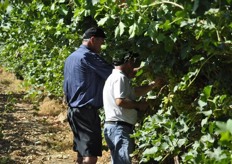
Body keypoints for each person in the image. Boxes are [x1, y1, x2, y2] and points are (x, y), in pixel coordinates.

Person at [63, 27, 113, 164]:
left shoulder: (70, 58)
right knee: (90, 156)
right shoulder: (88, 56)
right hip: (86, 112)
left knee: (81, 153)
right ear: (92, 40)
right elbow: (114, 74)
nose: (101, 47)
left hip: (73, 111)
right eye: (101, 42)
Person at [103, 51, 163, 164]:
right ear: (128, 62)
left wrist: (152, 85)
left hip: (115, 128)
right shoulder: (120, 78)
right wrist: (139, 105)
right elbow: (120, 101)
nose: (133, 66)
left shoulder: (115, 77)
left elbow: (134, 92)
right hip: (120, 128)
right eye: (132, 62)